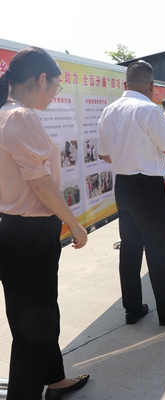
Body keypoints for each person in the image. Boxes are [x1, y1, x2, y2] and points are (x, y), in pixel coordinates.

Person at [0, 46, 90, 400]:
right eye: (55, 86)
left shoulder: (6, 114)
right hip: (29, 231)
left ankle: (54, 378)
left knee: (35, 314)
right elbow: (40, 183)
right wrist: (74, 223)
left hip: (16, 229)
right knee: (35, 324)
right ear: (40, 80)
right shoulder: (20, 117)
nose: (55, 94)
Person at [98, 60, 165, 327]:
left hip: (123, 186)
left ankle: (132, 308)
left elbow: (104, 154)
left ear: (125, 84)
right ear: (152, 86)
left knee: (130, 248)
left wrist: (126, 158)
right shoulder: (149, 110)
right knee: (157, 251)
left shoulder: (109, 110)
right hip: (147, 187)